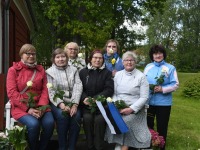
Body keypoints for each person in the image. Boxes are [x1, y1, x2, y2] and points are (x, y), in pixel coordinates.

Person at [6, 44, 54, 150]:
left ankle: (42, 147)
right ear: (21, 55)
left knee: (50, 123)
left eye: (33, 54)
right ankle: (33, 147)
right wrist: (28, 109)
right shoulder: (13, 70)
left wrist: (41, 107)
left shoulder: (40, 69)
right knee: (34, 124)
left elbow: (45, 89)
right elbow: (12, 93)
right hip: (21, 107)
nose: (31, 56)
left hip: (40, 106)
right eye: (28, 53)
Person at [105, 51, 151, 150]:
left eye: (131, 60)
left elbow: (144, 97)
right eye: (126, 60)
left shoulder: (141, 76)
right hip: (119, 107)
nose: (129, 62)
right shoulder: (118, 75)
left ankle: (121, 147)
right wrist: (116, 106)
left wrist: (131, 109)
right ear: (123, 62)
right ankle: (119, 144)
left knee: (126, 121)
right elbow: (115, 93)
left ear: (135, 62)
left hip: (135, 110)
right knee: (114, 119)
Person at [46, 48, 83, 150]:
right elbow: (51, 91)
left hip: (73, 101)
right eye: (58, 57)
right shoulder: (49, 72)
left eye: (63, 56)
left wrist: (75, 104)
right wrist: (61, 105)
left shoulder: (74, 70)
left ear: (66, 58)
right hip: (58, 103)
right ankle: (62, 147)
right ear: (54, 59)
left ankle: (71, 147)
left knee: (76, 116)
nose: (61, 59)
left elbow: (78, 86)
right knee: (62, 117)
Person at [144, 44, 179, 149]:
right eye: (155, 53)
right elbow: (142, 82)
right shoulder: (148, 67)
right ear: (152, 55)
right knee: (148, 125)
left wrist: (162, 89)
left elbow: (175, 84)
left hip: (164, 103)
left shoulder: (170, 68)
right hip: (149, 102)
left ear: (163, 54)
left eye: (160, 53)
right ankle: (148, 144)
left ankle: (161, 146)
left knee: (162, 126)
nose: (157, 55)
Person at [79, 49, 114, 150]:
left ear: (103, 60)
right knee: (87, 119)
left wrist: (96, 99)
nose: (97, 60)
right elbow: (79, 88)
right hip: (86, 105)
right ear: (90, 59)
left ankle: (99, 147)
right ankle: (90, 146)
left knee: (99, 121)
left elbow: (109, 89)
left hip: (101, 106)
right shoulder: (83, 72)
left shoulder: (107, 73)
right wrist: (84, 98)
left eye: (100, 58)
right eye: (95, 58)